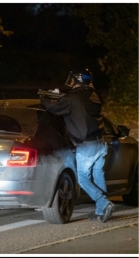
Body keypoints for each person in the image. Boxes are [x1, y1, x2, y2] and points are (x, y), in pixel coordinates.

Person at [40, 69, 114, 222]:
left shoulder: (73, 98)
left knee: (83, 179)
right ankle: (101, 212)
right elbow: (76, 105)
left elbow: (54, 108)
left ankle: (104, 203)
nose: (71, 82)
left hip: (86, 146)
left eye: (72, 79)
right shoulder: (93, 96)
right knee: (97, 176)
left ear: (77, 80)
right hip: (100, 143)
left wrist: (44, 98)